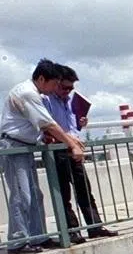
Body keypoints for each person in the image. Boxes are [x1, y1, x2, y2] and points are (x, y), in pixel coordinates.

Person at [0, 59, 85, 254]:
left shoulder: (34, 93)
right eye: (54, 84)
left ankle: (38, 236)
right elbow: (47, 123)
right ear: (42, 79)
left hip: (26, 147)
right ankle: (18, 241)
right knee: (22, 195)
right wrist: (71, 143)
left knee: (35, 194)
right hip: (14, 147)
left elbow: (46, 126)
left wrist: (61, 137)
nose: (55, 88)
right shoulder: (27, 93)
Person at [42, 64, 118, 243]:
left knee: (84, 189)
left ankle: (94, 226)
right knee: (63, 193)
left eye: (71, 88)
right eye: (64, 87)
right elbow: (49, 127)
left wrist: (81, 122)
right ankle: (72, 230)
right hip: (58, 150)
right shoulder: (46, 101)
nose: (67, 91)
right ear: (56, 83)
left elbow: (72, 126)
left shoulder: (69, 101)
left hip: (74, 149)